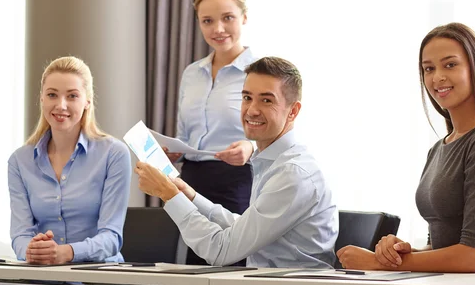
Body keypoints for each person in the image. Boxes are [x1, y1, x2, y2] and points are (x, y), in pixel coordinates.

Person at [337, 23, 475, 285]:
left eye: (450, 64)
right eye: (428, 68)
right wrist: (398, 252)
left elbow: (472, 257)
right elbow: (441, 246)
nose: (437, 77)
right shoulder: (440, 148)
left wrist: (382, 264)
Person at [136, 57, 338, 268]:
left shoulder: (292, 173)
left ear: (293, 111)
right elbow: (241, 228)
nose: (251, 110)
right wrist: (189, 196)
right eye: (247, 97)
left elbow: (221, 251)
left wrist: (169, 195)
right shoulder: (273, 161)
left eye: (266, 100)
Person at [5, 56, 133, 285]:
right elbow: (20, 234)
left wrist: (66, 253)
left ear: (87, 101)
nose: (61, 105)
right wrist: (31, 250)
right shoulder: (19, 161)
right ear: (41, 99)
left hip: (101, 284)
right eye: (52, 95)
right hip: (42, 281)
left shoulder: (113, 154)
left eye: (72, 96)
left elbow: (111, 238)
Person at [165, 0, 257, 265]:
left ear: (244, 17)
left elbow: (283, 135)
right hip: (191, 178)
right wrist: (174, 150)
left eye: (227, 18)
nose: (218, 29)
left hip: (238, 181)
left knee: (233, 266)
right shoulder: (191, 73)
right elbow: (184, 133)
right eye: (207, 21)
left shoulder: (260, 73)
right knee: (192, 267)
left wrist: (251, 147)